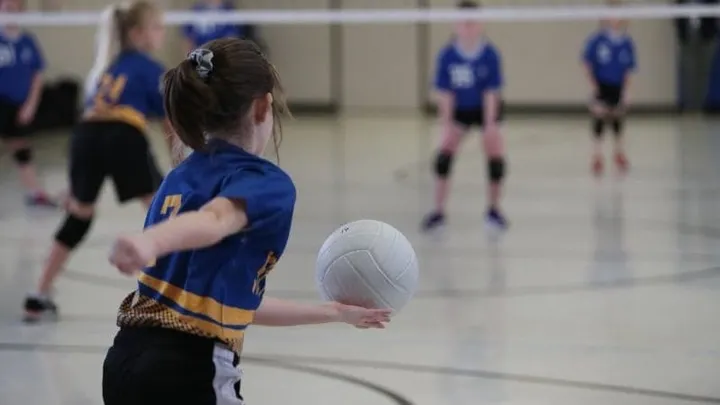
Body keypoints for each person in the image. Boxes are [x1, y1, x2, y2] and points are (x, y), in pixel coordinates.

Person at [101, 37, 391, 405]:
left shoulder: (179, 176)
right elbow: (216, 220)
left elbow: (230, 303)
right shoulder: (265, 183)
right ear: (262, 107)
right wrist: (150, 243)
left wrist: (334, 312)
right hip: (189, 372)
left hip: (124, 362)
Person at [23, 1, 169, 321]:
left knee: (79, 216)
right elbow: (169, 122)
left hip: (85, 135)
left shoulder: (109, 67)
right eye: (157, 27)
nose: (163, 33)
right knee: (163, 210)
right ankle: (177, 293)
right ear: (138, 34)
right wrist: (182, 162)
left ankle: (39, 293)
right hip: (123, 135)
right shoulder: (149, 68)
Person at [421, 0, 507, 233]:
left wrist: (490, 125)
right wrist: (446, 124)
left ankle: (493, 210)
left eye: (472, 22)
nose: (468, 27)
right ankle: (438, 212)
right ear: (455, 25)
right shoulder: (448, 55)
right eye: (463, 22)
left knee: (495, 152)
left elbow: (492, 93)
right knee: (443, 155)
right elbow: (445, 94)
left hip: (484, 107)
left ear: (481, 24)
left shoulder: (489, 54)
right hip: (460, 108)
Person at [0, 0, 56, 207]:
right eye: (6, 9)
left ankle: (35, 193)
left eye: (14, 9)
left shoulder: (27, 41)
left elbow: (37, 76)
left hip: (19, 105)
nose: (10, 13)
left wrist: (31, 105)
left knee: (22, 148)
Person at [582, 1, 636, 176]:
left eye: (618, 14)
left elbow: (629, 69)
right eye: (611, 14)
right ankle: (597, 156)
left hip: (617, 86)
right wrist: (593, 86)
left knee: (617, 118)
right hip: (601, 84)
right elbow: (586, 62)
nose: (614, 18)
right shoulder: (597, 40)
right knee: (599, 118)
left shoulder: (627, 42)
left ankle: (619, 153)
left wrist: (627, 91)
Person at [182, 0, 249, 54]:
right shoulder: (195, 11)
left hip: (222, 54)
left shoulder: (229, 10)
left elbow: (233, 39)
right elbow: (188, 40)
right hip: (201, 54)